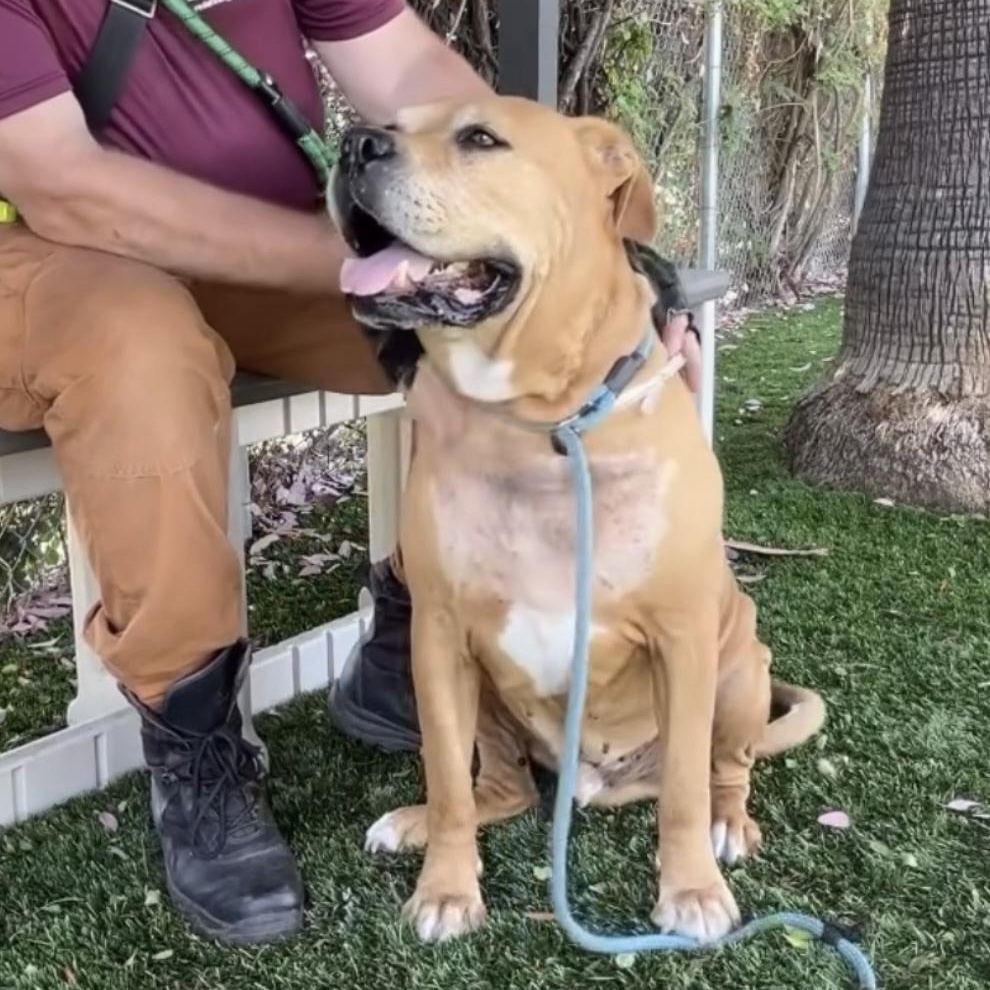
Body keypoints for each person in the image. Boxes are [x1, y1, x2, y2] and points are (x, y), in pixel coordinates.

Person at [0, 0, 702, 946]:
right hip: (59, 257)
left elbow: (418, 79)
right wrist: (385, 255)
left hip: (274, 251)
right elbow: (69, 191)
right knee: (140, 352)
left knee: (506, 319)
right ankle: (193, 734)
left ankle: (409, 632)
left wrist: (581, 246)